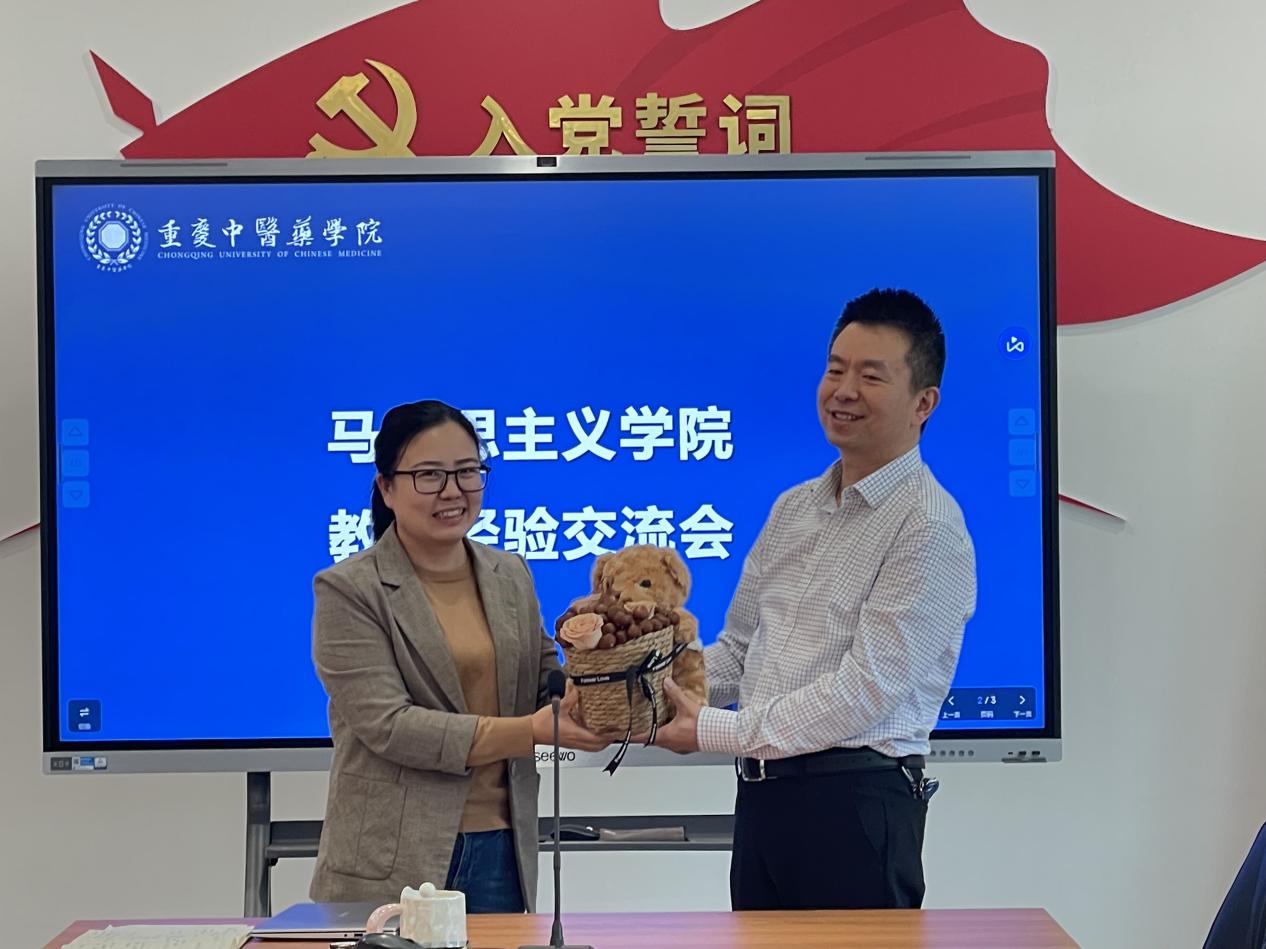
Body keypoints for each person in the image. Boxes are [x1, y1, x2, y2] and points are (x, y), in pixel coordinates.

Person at [649, 288, 978, 911]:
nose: (843, 391)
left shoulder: (929, 526)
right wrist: (650, 689)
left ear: (923, 403)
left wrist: (716, 729)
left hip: (855, 805)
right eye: (835, 369)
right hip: (764, 800)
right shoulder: (794, 507)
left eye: (870, 376)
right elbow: (740, 650)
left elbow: (865, 692)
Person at [309, 400, 608, 912]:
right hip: (392, 855)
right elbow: (390, 726)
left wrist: (603, 671)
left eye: (468, 471)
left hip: (502, 847)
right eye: (429, 475)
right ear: (386, 487)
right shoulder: (349, 589)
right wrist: (530, 732)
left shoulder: (509, 573)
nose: (453, 491)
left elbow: (546, 684)